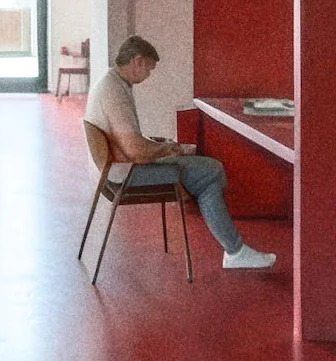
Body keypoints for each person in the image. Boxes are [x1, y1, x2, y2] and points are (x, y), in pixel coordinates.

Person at [83, 35, 276, 270]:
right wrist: (169, 149)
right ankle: (234, 251)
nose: (149, 76)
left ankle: (234, 250)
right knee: (212, 170)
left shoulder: (110, 82)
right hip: (127, 175)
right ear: (138, 61)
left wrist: (156, 144)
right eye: (149, 69)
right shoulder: (115, 92)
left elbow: (129, 143)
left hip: (117, 171)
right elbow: (136, 151)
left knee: (207, 178)